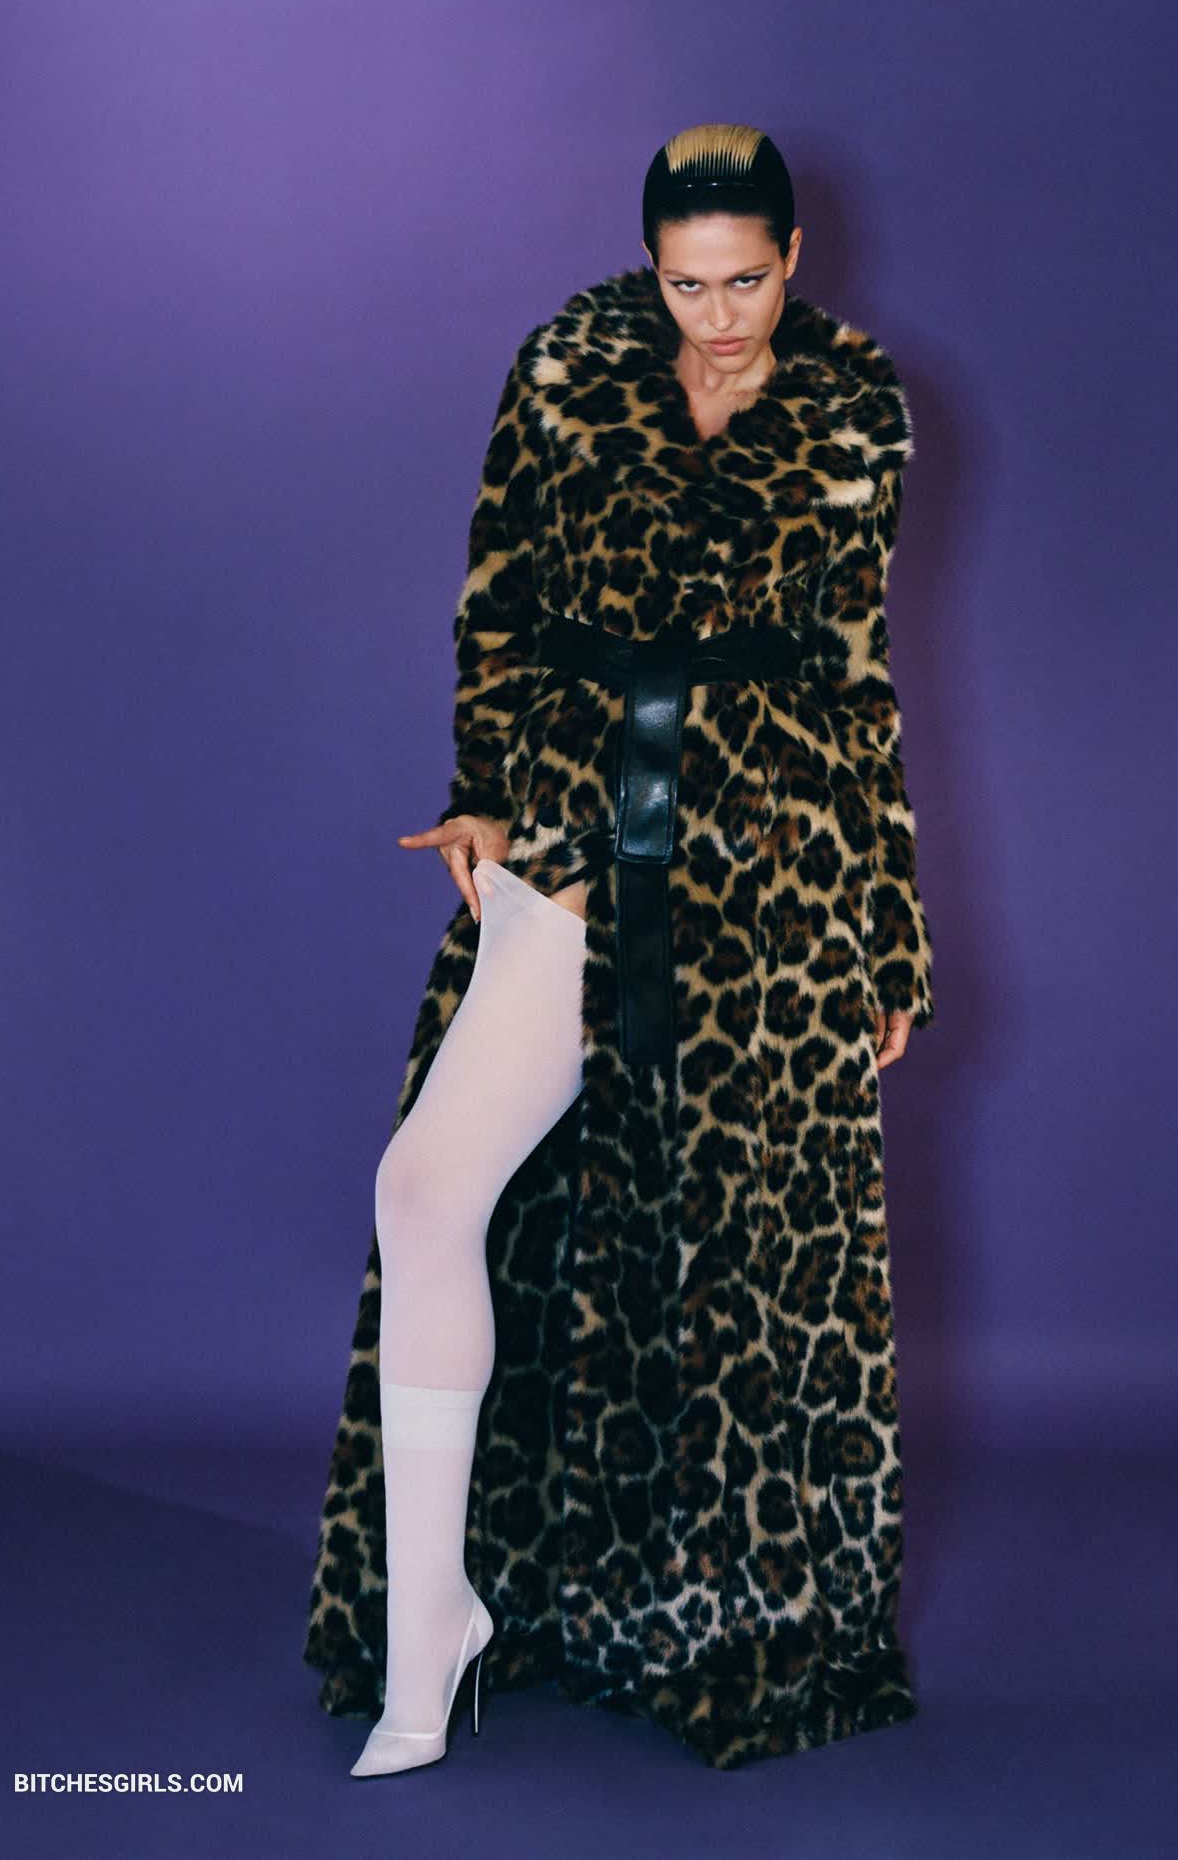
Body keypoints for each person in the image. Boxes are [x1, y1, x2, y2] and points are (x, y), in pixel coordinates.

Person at [304, 122, 937, 1775]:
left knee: (737, 1285)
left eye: (745, 282)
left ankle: (734, 1623)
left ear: (794, 261)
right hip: (581, 838)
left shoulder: (858, 415)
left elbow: (858, 678)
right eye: (685, 284)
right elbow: (498, 602)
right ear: (649, 268)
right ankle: (430, 1623)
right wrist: (480, 794)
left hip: (771, 875)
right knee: (427, 1192)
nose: (716, 317)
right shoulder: (566, 377)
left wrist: (889, 929)